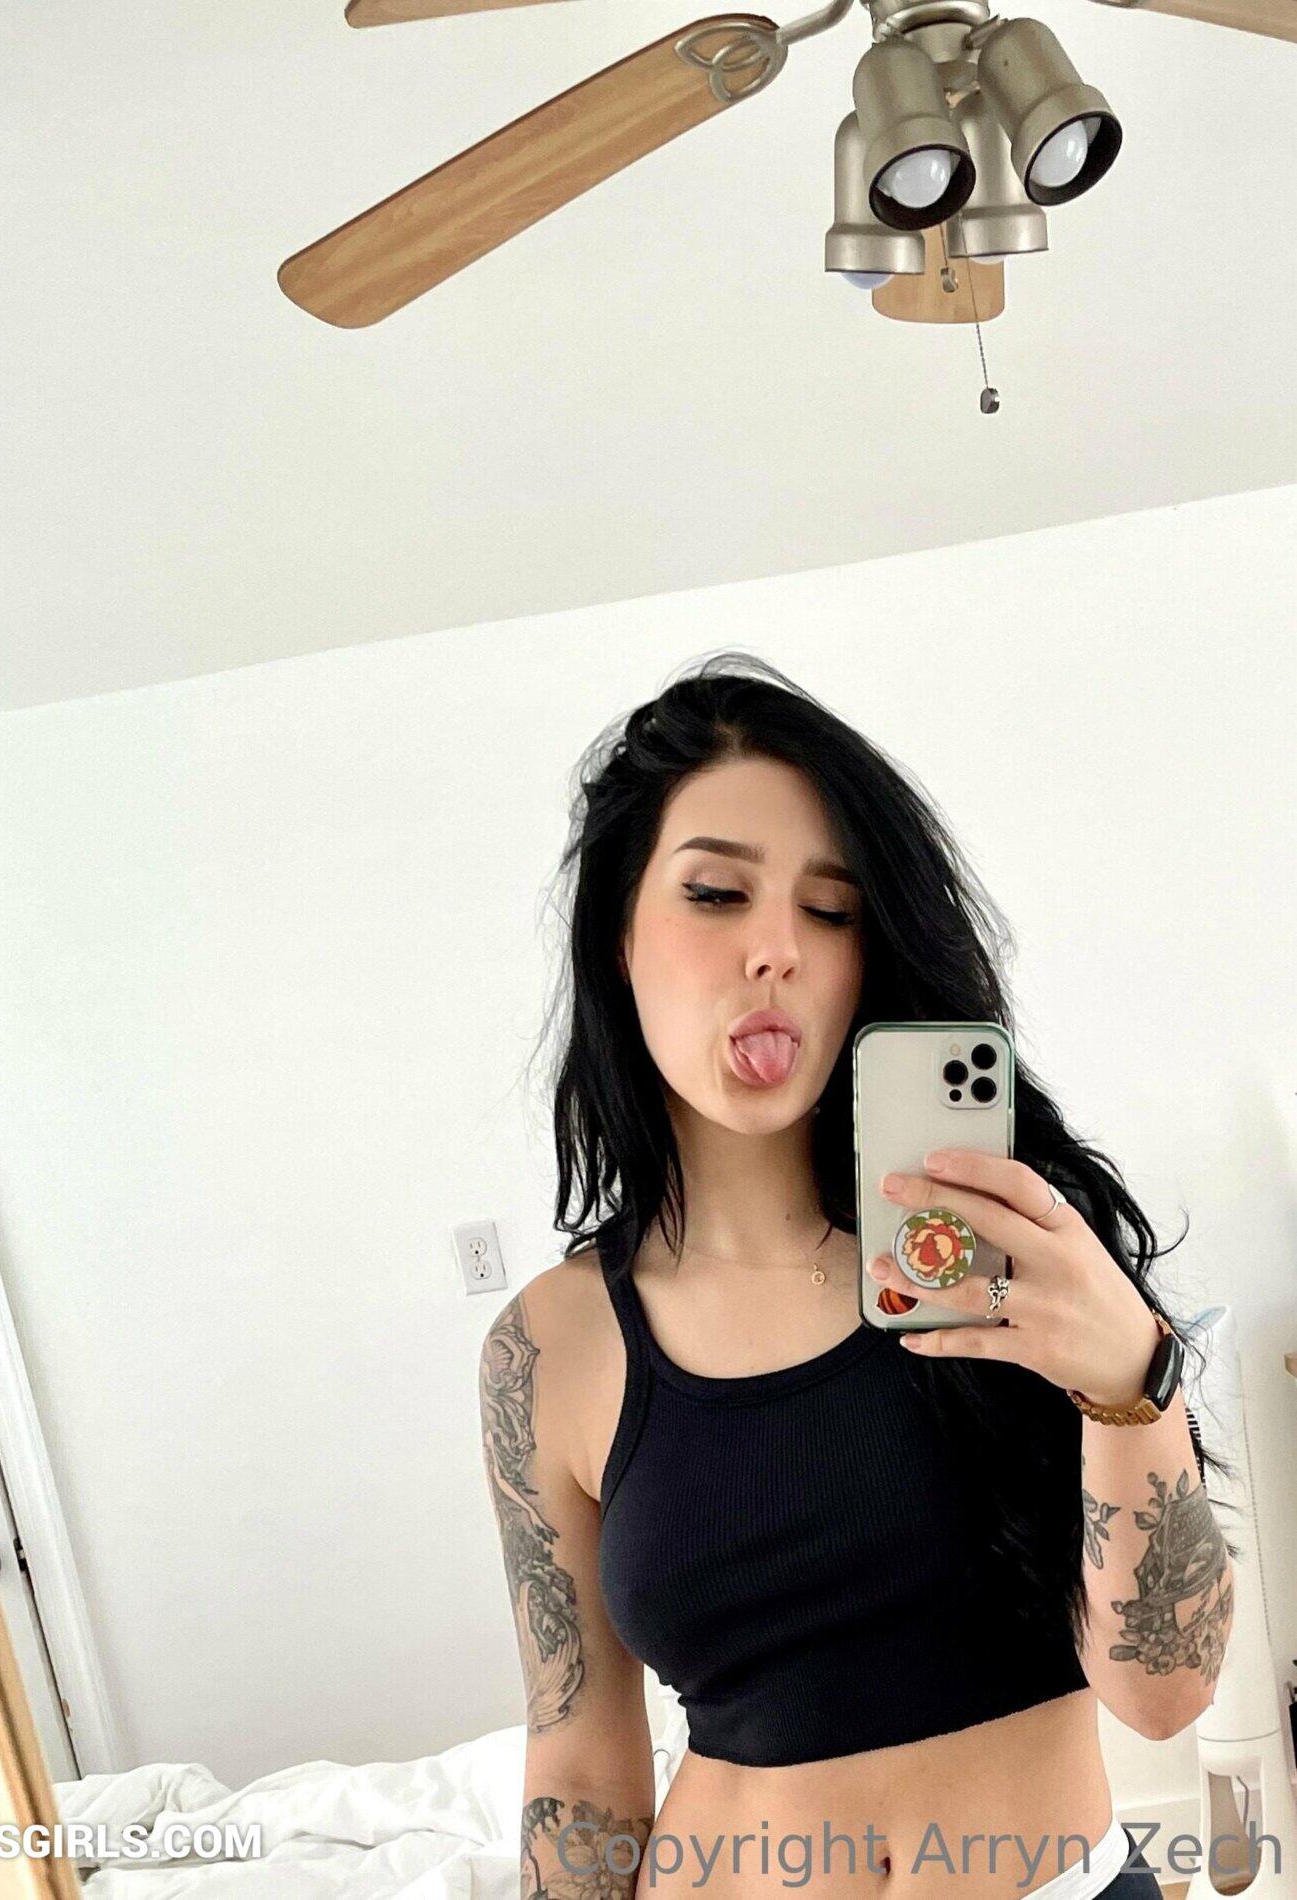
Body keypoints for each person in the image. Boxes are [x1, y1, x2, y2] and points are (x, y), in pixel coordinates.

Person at [477, 653, 1236, 1899]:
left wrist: (1131, 1382)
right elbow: (580, 1762)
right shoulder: (547, 1348)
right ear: (620, 935)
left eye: (830, 911)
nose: (776, 949)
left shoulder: (1018, 1247)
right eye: (716, 893)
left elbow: (1167, 1691)